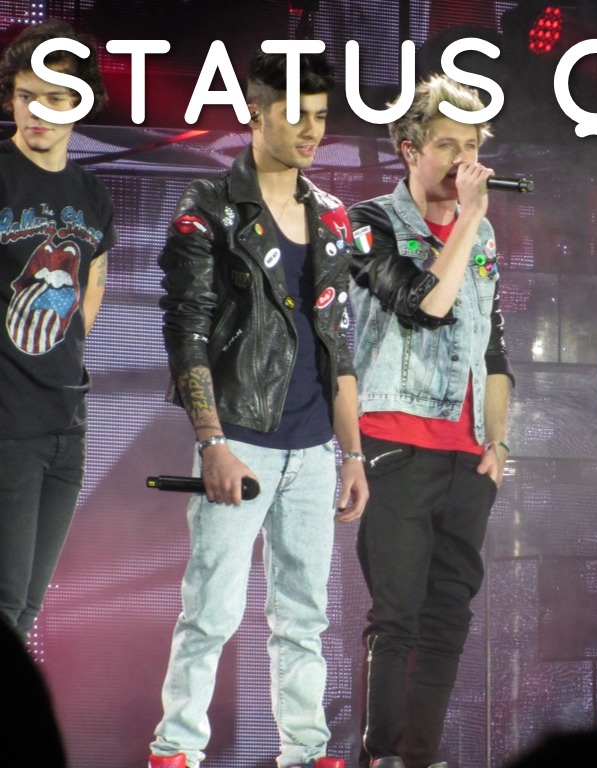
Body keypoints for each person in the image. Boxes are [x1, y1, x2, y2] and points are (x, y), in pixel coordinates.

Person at [147, 50, 366, 768]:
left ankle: (305, 752)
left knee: (304, 617)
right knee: (211, 610)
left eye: (321, 117)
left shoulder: (331, 215)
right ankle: (176, 751)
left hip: (315, 447)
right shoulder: (209, 206)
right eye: (296, 115)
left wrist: (352, 454)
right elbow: (186, 329)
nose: (311, 131)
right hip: (239, 439)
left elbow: (338, 342)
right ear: (256, 114)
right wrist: (213, 442)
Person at [345, 74, 513, 768]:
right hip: (396, 445)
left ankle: (422, 756)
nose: (461, 160)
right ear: (410, 149)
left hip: (467, 456)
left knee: (448, 616)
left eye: (471, 146)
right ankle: (383, 754)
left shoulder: (484, 233)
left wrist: (497, 442)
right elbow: (424, 305)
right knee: (398, 617)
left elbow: (492, 347)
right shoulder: (369, 222)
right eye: (446, 145)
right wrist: (467, 219)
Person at [0, 20, 114, 639]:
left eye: (55, 98)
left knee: (25, 612)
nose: (37, 111)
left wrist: (55, 354)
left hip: (67, 425)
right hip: (7, 426)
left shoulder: (93, 194)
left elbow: (92, 289)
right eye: (26, 96)